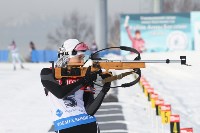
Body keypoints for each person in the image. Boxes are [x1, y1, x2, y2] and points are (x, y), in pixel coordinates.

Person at [40, 39, 111, 133]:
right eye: (79, 57)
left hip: (89, 125)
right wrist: (84, 81)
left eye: (83, 58)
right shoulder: (48, 73)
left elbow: (90, 110)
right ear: (67, 56)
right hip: (65, 126)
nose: (82, 61)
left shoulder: (84, 75)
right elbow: (60, 93)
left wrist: (104, 90)